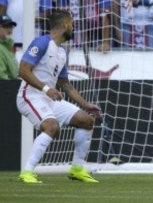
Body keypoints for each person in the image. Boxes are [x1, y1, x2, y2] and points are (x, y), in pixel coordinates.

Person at [15, 10, 101, 184]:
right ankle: (27, 172)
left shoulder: (62, 52)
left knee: (87, 120)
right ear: (64, 25)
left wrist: (86, 104)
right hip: (29, 96)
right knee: (52, 127)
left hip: (48, 98)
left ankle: (77, 169)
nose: (73, 27)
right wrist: (47, 89)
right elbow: (23, 70)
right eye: (72, 24)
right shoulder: (41, 43)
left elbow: (65, 84)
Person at [0, 14, 17, 79]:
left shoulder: (8, 46)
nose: (10, 30)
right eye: (6, 27)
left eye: (11, 27)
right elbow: (2, 77)